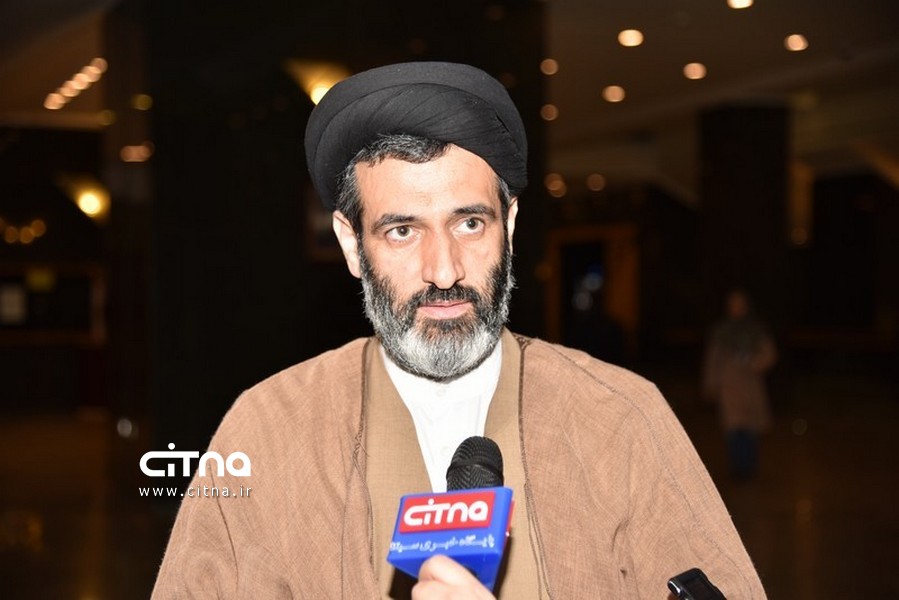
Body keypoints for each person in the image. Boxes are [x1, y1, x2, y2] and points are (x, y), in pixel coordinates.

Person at [152, 62, 765, 598]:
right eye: (402, 231)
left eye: (470, 224)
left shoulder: (619, 416)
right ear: (351, 243)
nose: (443, 271)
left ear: (510, 225)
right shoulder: (268, 427)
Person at [702, 289, 777, 480]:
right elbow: (713, 360)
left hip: (751, 385)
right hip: (729, 386)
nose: (736, 309)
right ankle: (737, 468)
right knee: (734, 428)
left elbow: (769, 354)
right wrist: (711, 384)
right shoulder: (722, 332)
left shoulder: (756, 330)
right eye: (733, 305)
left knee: (751, 428)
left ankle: (750, 467)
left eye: (739, 305)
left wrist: (754, 362)